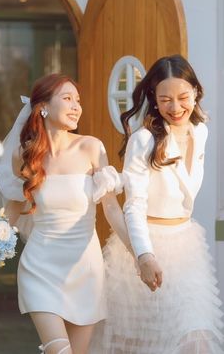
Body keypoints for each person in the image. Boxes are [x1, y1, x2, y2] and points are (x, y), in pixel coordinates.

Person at [0, 74, 132, 354]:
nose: (76, 106)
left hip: (85, 269)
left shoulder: (91, 147)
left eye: (78, 100)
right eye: (67, 98)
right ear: (42, 106)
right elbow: (13, 213)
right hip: (39, 268)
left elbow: (112, 209)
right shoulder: (23, 156)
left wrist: (140, 254)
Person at [90, 54, 224, 353]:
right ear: (154, 98)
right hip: (146, 247)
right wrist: (144, 257)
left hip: (188, 248)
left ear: (196, 92)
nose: (175, 108)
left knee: (197, 334)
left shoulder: (201, 132)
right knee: (142, 343)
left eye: (183, 97)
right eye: (165, 100)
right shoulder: (144, 140)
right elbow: (134, 205)